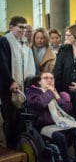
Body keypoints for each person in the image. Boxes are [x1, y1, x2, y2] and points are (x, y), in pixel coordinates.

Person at [26, 72, 76, 162]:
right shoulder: (33, 93)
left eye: (51, 78)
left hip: (60, 124)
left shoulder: (55, 91)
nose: (49, 80)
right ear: (39, 82)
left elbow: (66, 110)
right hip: (45, 125)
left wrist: (58, 96)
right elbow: (40, 104)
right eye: (46, 78)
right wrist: (50, 92)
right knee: (60, 137)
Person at [0, 16, 36, 149]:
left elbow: (28, 64)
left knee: (19, 120)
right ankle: (11, 149)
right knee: (10, 120)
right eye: (20, 27)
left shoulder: (23, 43)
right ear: (11, 27)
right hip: (8, 88)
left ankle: (20, 146)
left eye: (25, 27)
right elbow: (2, 64)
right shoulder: (4, 41)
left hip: (22, 87)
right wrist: (11, 81)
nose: (23, 30)